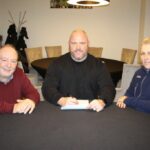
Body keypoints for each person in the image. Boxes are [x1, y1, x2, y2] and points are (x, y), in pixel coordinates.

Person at [42, 29, 115, 112]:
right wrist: (61, 100)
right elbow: (47, 87)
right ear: (69, 44)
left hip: (92, 112)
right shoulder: (57, 64)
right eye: (74, 43)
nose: (78, 47)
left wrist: (102, 101)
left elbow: (109, 88)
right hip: (63, 111)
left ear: (88, 44)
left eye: (82, 43)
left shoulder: (99, 66)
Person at [0, 44, 40, 114]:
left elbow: (34, 93)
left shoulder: (18, 73)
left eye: (13, 61)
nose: (9, 65)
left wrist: (31, 101)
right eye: (4, 60)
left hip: (16, 120)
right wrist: (14, 107)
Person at [116, 37, 150, 113]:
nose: (146, 57)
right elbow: (129, 93)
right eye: (143, 53)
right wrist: (123, 100)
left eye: (149, 53)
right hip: (133, 114)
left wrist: (128, 100)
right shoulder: (138, 73)